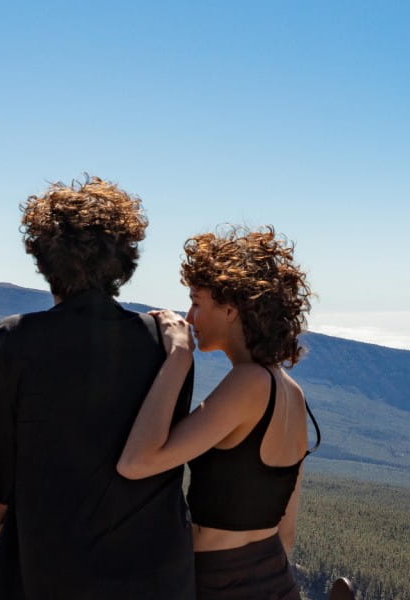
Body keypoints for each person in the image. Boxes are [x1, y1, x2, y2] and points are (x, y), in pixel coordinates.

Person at [0, 178, 196, 600]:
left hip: (46, 578)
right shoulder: (168, 344)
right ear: (124, 259)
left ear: (44, 258)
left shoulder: (16, 341)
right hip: (159, 581)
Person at [118, 225, 319, 600]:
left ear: (231, 309)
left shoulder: (249, 383)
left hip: (222, 581)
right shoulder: (291, 391)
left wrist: (178, 356)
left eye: (197, 302)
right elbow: (286, 531)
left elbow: (136, 462)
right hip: (273, 577)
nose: (189, 318)